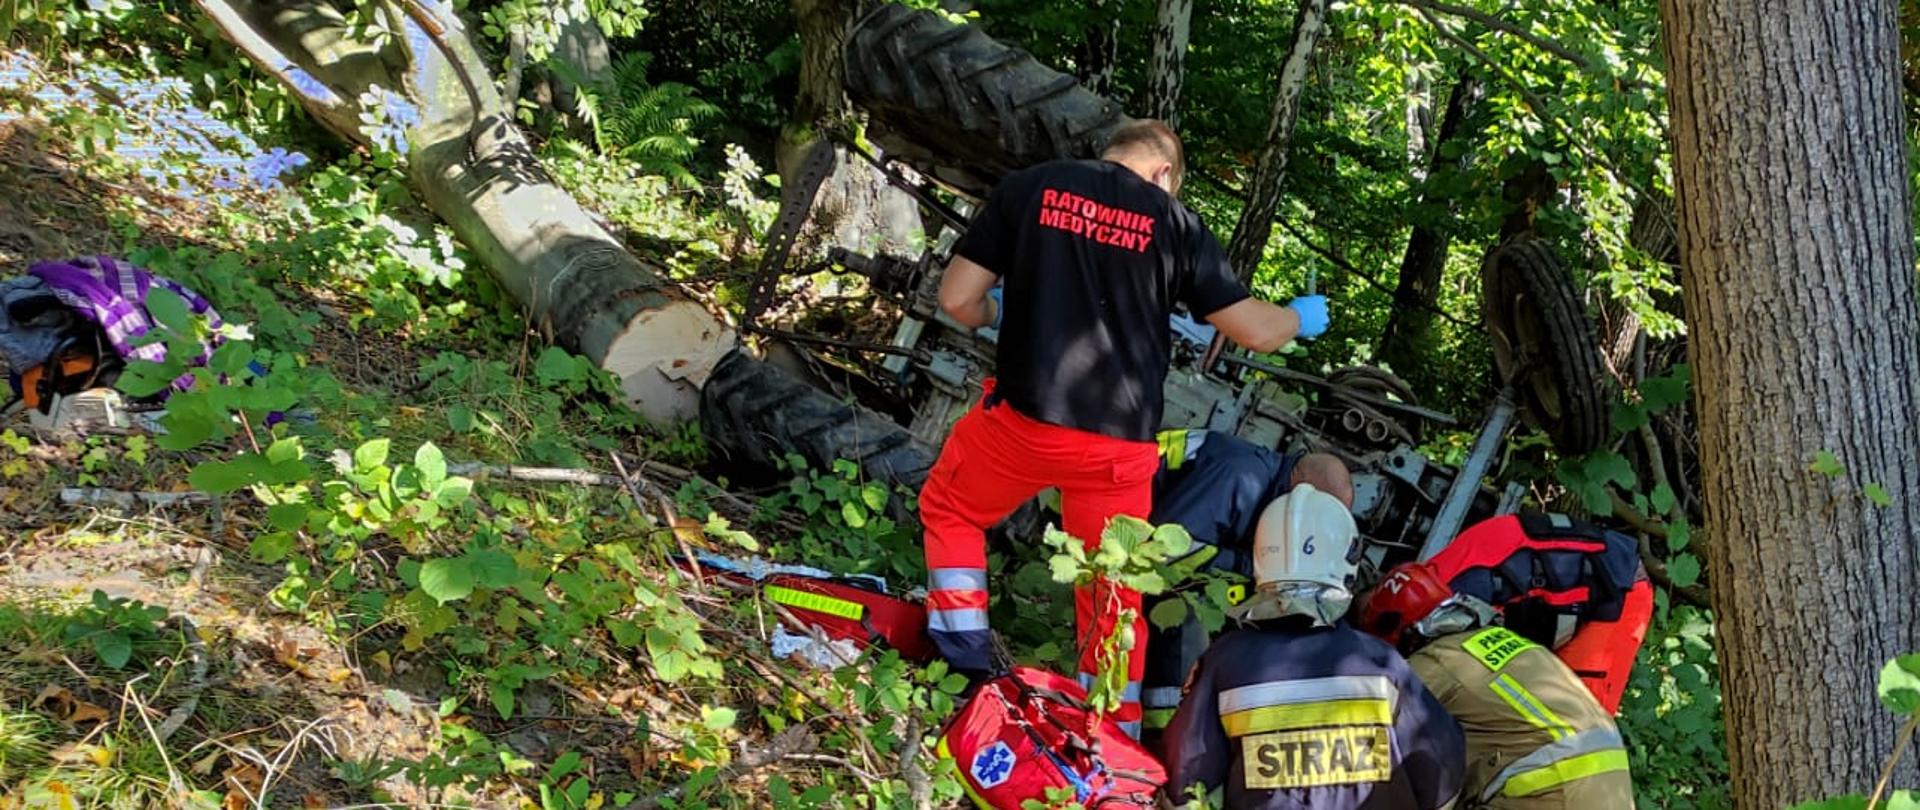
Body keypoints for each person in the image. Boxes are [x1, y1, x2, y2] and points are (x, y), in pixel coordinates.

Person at [919, 119, 1328, 737]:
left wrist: (995, 310)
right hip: (1117, 451)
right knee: (1114, 588)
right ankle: (1109, 731)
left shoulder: (1032, 187)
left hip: (1023, 426)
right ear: (1166, 173)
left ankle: (961, 668)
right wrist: (1297, 317)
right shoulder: (1177, 225)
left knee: (952, 511)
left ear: (1111, 153)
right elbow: (1257, 333)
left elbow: (956, 300)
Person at [1162, 485, 1465, 809]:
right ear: (1346, 562)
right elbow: (1443, 776)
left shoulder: (1225, 660)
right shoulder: (1381, 662)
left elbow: (1185, 779)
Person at [1356, 563, 1635, 808]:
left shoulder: (1432, 664)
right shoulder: (1494, 639)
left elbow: (1362, 742)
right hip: (1610, 789)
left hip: (1545, 791)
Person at [1140, 429, 1352, 732]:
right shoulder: (1241, 476)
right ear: (1303, 495)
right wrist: (1254, 567)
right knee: (1188, 610)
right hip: (1109, 517)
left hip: (1136, 531)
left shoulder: (1270, 493)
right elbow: (1166, 548)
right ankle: (1163, 730)